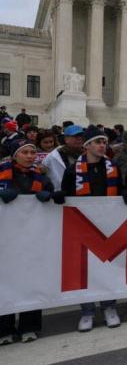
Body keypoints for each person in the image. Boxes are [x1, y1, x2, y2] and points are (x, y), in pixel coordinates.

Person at [61, 125, 127, 333]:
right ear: (87, 146)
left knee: (108, 267)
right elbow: (65, 192)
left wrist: (126, 193)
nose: (102, 146)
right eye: (98, 142)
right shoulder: (73, 170)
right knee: (85, 270)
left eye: (104, 142)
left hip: (108, 226)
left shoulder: (112, 166)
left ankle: (109, 307)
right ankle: (87, 311)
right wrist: (59, 196)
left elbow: (120, 188)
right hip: (82, 227)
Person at [0, 140, 55, 344]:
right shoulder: (2, 172)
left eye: (33, 152)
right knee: (4, 281)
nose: (31, 156)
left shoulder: (40, 175)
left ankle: (29, 326)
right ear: (15, 155)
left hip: (32, 237)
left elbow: (50, 191)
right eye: (26, 152)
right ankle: (4, 328)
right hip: (5, 238)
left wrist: (48, 195)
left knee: (31, 281)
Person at [42, 125, 84, 190]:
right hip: (61, 196)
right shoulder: (53, 156)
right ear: (66, 139)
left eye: (81, 136)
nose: (79, 138)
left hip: (84, 196)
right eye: (75, 136)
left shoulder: (88, 154)